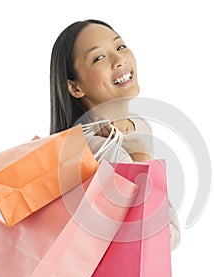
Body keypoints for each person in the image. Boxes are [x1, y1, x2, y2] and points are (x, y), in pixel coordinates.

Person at [50, 19, 180, 250]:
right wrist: (140, 154)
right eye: (98, 58)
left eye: (120, 47)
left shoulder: (137, 126)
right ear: (75, 87)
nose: (119, 60)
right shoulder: (97, 146)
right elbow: (162, 238)